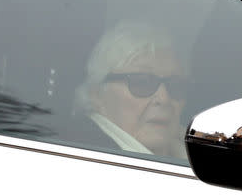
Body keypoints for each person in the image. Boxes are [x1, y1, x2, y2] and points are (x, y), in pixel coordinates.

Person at [73, 21, 187, 158]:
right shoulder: (78, 155)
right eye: (142, 82)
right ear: (96, 94)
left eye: (175, 85)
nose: (164, 98)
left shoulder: (199, 150)